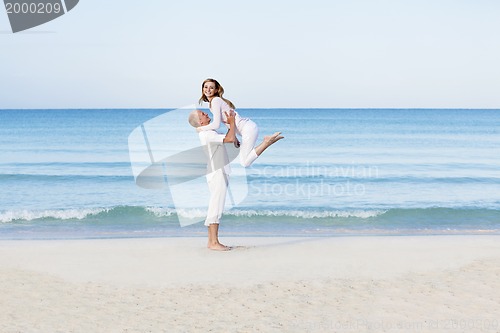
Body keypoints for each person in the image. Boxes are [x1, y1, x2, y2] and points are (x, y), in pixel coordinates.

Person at [197, 78, 283, 167]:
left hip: (247, 129)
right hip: (247, 129)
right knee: (244, 160)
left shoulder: (215, 101)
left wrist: (200, 128)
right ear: (202, 89)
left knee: (245, 163)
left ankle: (267, 142)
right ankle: (267, 142)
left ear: (216, 90)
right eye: (205, 87)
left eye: (211, 88)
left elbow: (216, 124)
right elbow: (228, 121)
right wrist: (234, 136)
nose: (208, 90)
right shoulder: (212, 103)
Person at [188, 109, 237, 250]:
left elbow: (229, 138)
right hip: (217, 172)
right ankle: (214, 242)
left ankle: (212, 241)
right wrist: (232, 122)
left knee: (215, 204)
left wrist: (230, 126)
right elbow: (229, 139)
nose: (206, 114)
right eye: (202, 114)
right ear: (201, 122)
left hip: (215, 171)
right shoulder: (207, 134)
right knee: (216, 206)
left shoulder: (208, 133)